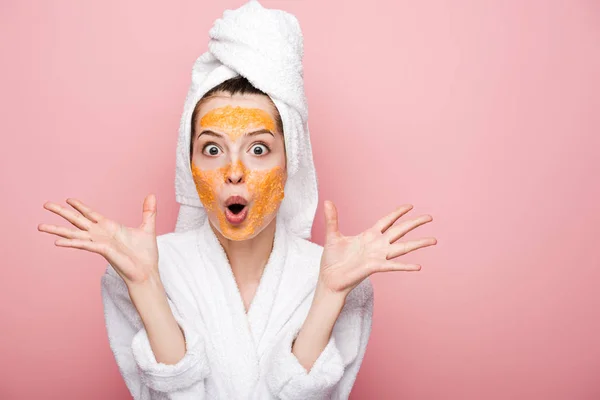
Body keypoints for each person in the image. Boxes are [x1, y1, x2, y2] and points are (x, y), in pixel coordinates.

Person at [38, 1, 436, 399]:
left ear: (290, 160)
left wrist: (328, 295)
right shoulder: (142, 265)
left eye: (259, 149)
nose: (233, 170)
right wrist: (146, 286)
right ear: (188, 163)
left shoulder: (338, 274)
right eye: (212, 150)